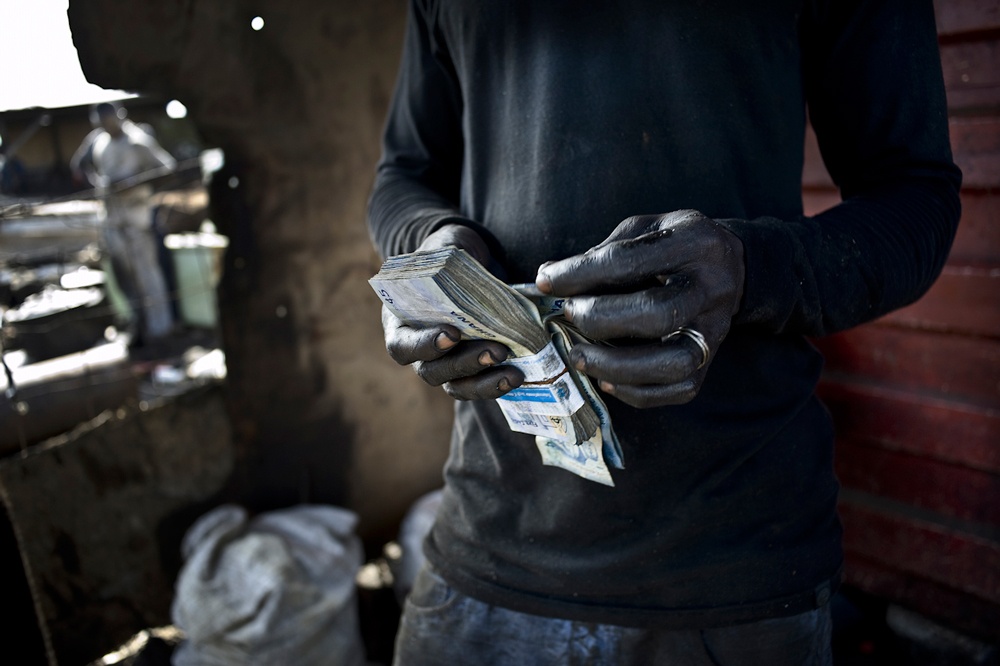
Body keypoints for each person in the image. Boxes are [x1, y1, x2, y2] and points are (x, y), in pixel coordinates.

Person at [367, 1, 961, 664]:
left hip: (731, 566)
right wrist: (430, 251)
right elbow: (403, 174)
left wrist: (748, 267)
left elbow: (916, 196)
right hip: (485, 548)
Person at [71, 102, 177, 349]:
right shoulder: (97, 140)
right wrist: (98, 184)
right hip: (111, 217)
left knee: (147, 274)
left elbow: (167, 169)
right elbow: (78, 165)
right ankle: (137, 327)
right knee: (124, 277)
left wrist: (134, 183)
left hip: (136, 217)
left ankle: (161, 330)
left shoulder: (138, 140)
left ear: (119, 117)